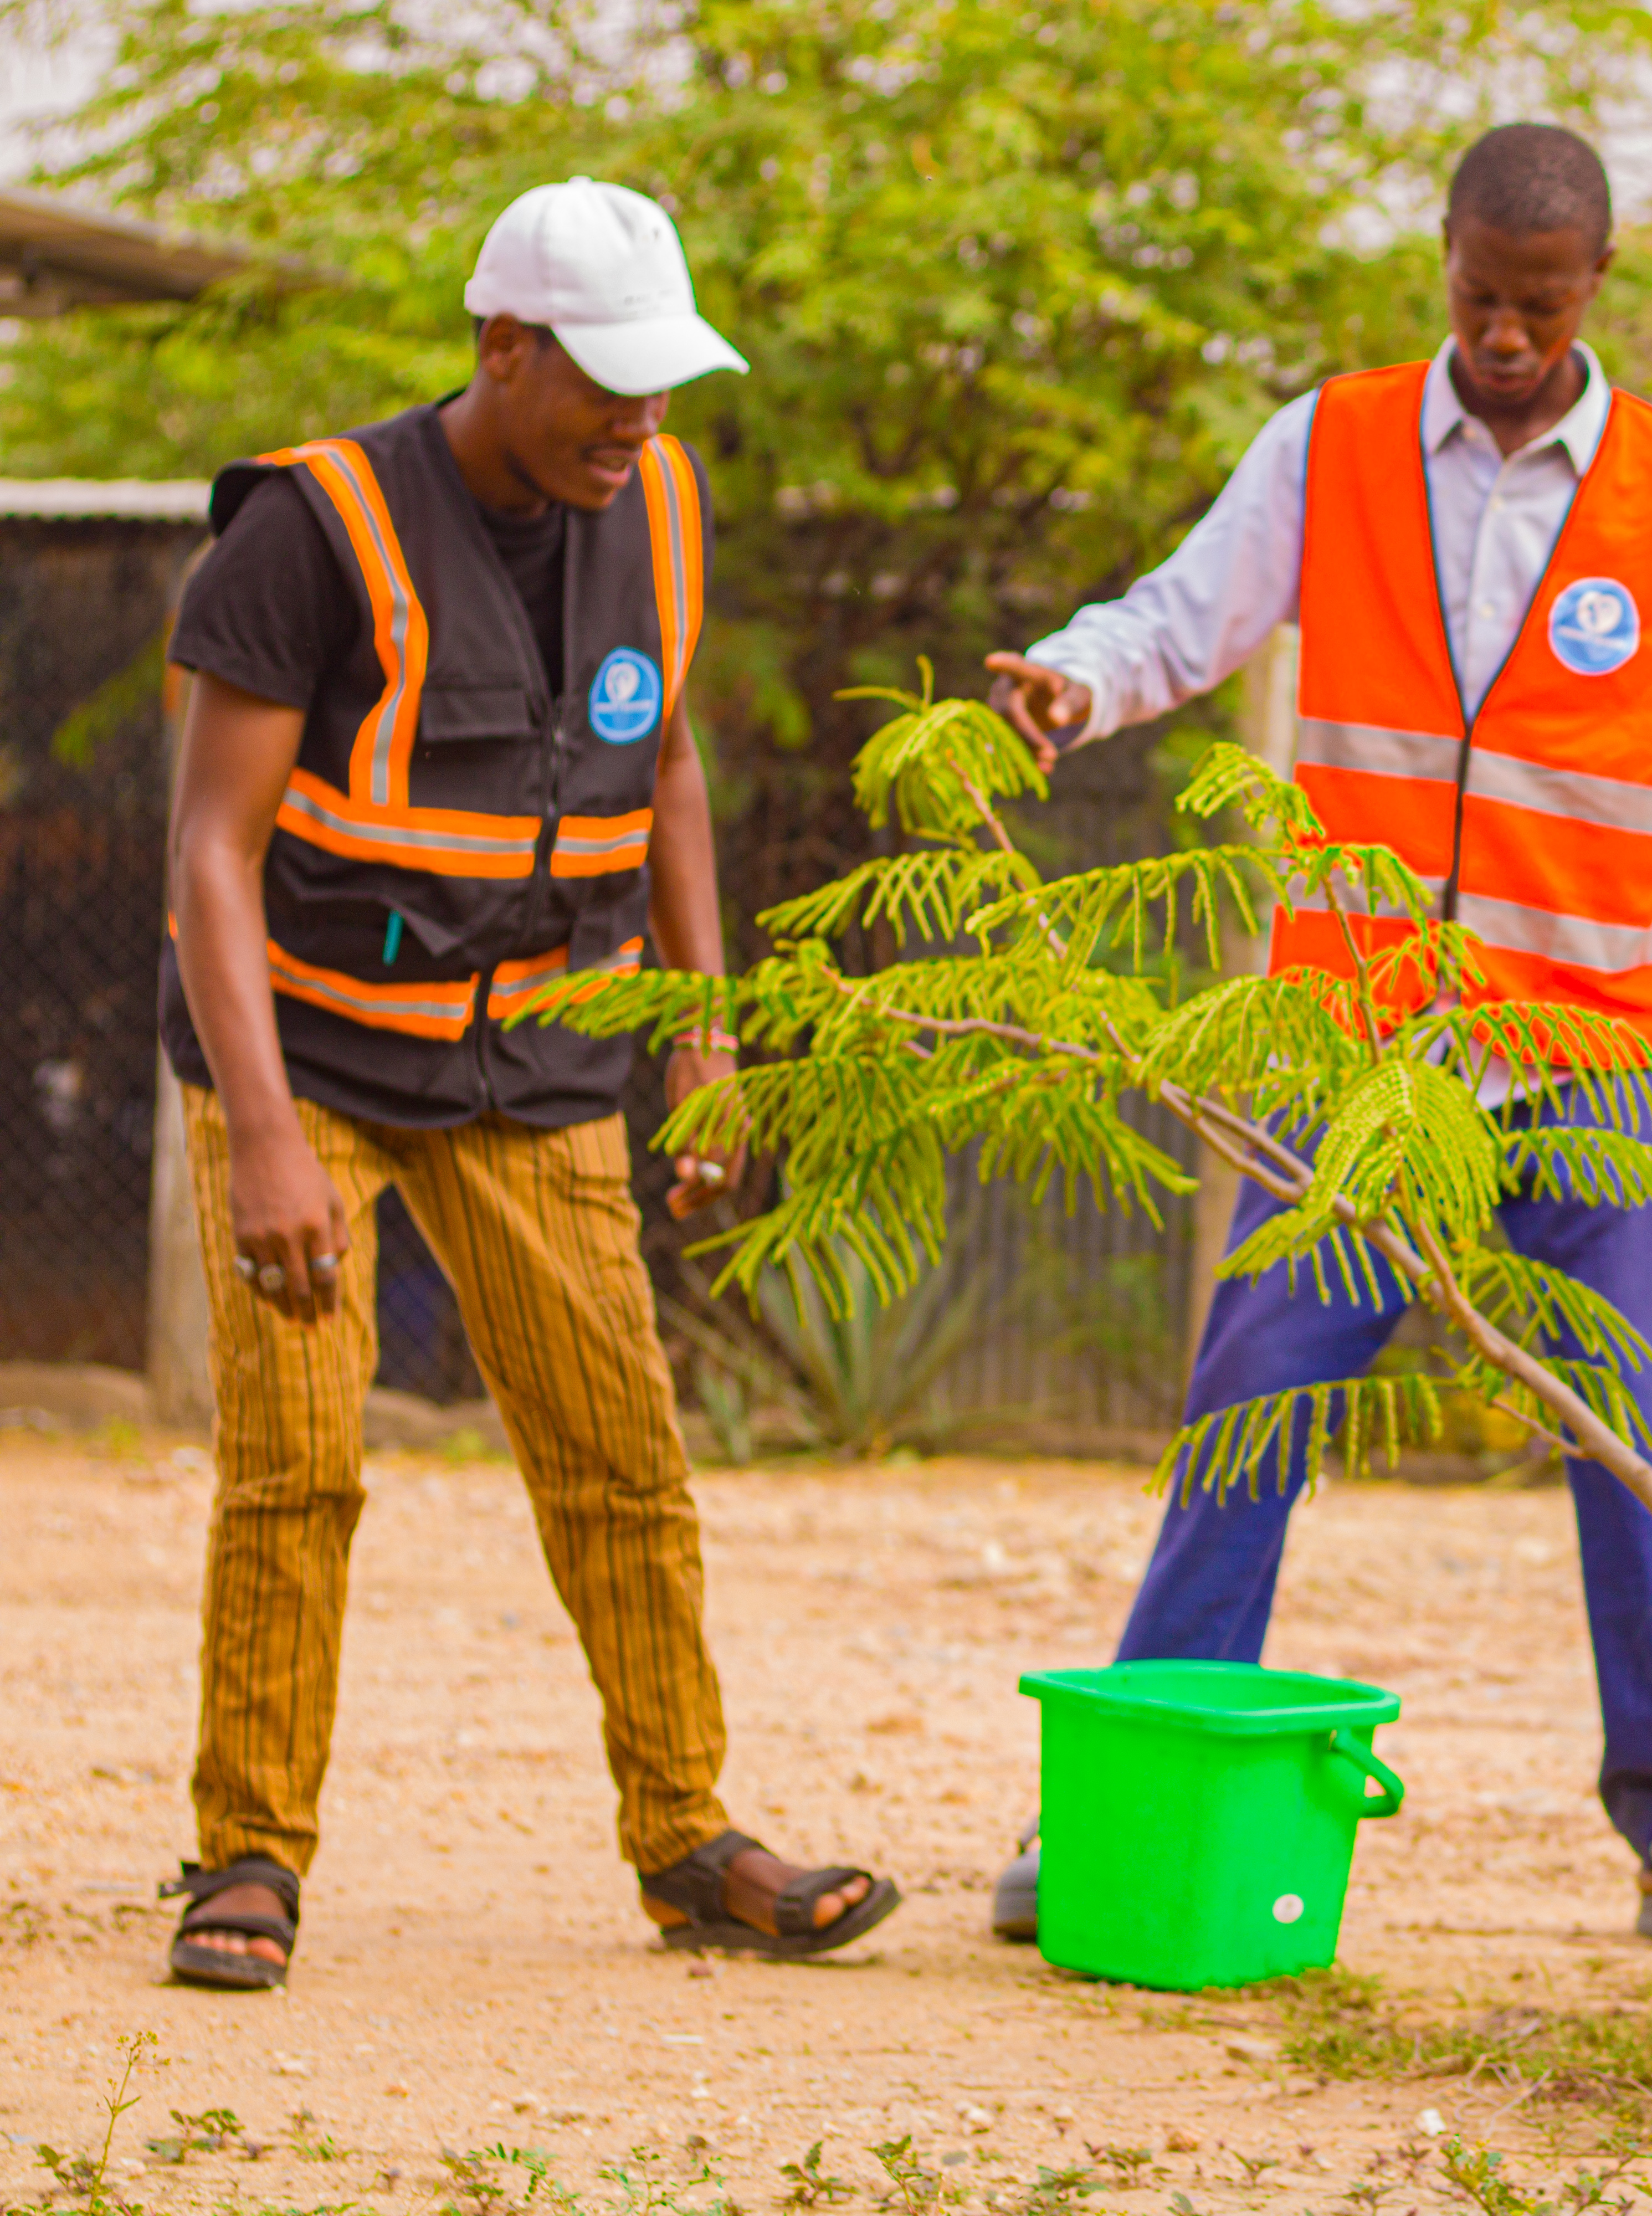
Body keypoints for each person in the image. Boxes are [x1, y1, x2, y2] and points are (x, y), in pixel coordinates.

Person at [982, 122, 1652, 1952]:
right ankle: (1133, 1780)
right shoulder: (1336, 442)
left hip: (1587, 1056)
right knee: (1250, 1403)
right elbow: (1183, 618)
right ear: (1442, 263)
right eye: (1479, 296)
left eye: (1542, 303)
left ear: (1598, 287)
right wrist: (1080, 673)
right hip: (1363, 1055)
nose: (1509, 333)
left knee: (1621, 1432)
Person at [155, 176, 900, 1989]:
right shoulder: (313, 528)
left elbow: (672, 780)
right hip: (314, 1050)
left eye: (663, 386)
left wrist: (704, 1033)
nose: (640, 421)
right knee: (299, 1464)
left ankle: (687, 1836)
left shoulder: (655, 498)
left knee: (622, 1461)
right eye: (607, 382)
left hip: (546, 1049)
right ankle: (249, 1850)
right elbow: (204, 851)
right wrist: (264, 1137)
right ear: (505, 349)